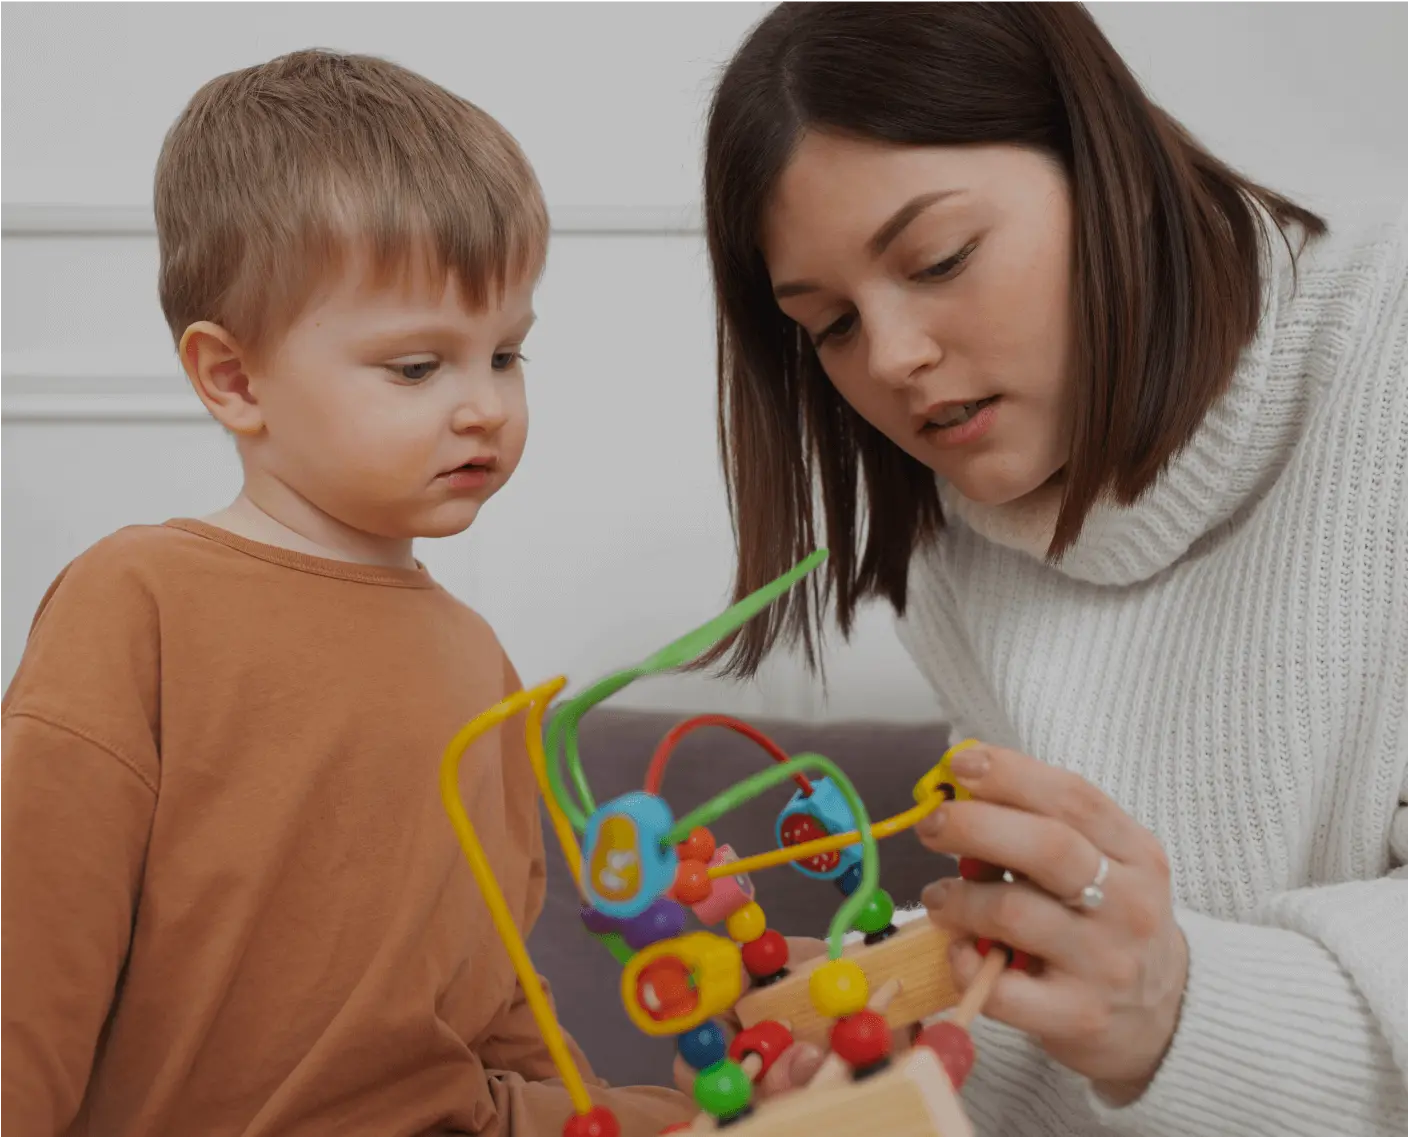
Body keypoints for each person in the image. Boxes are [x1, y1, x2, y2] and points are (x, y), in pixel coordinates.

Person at [699, 1, 1408, 1135]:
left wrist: (1174, 1006)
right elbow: (1095, 1029)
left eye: (938, 259)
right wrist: (921, 1052)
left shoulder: (1389, 352)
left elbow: (1156, 1011)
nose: (890, 359)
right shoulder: (957, 543)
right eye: (828, 325)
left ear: (1107, 160)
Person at [0, 49, 700, 1137]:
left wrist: (609, 1116)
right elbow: (31, 959)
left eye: (506, 355)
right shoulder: (137, 602)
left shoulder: (479, 660)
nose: (483, 407)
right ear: (233, 379)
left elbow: (499, 996)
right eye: (419, 368)